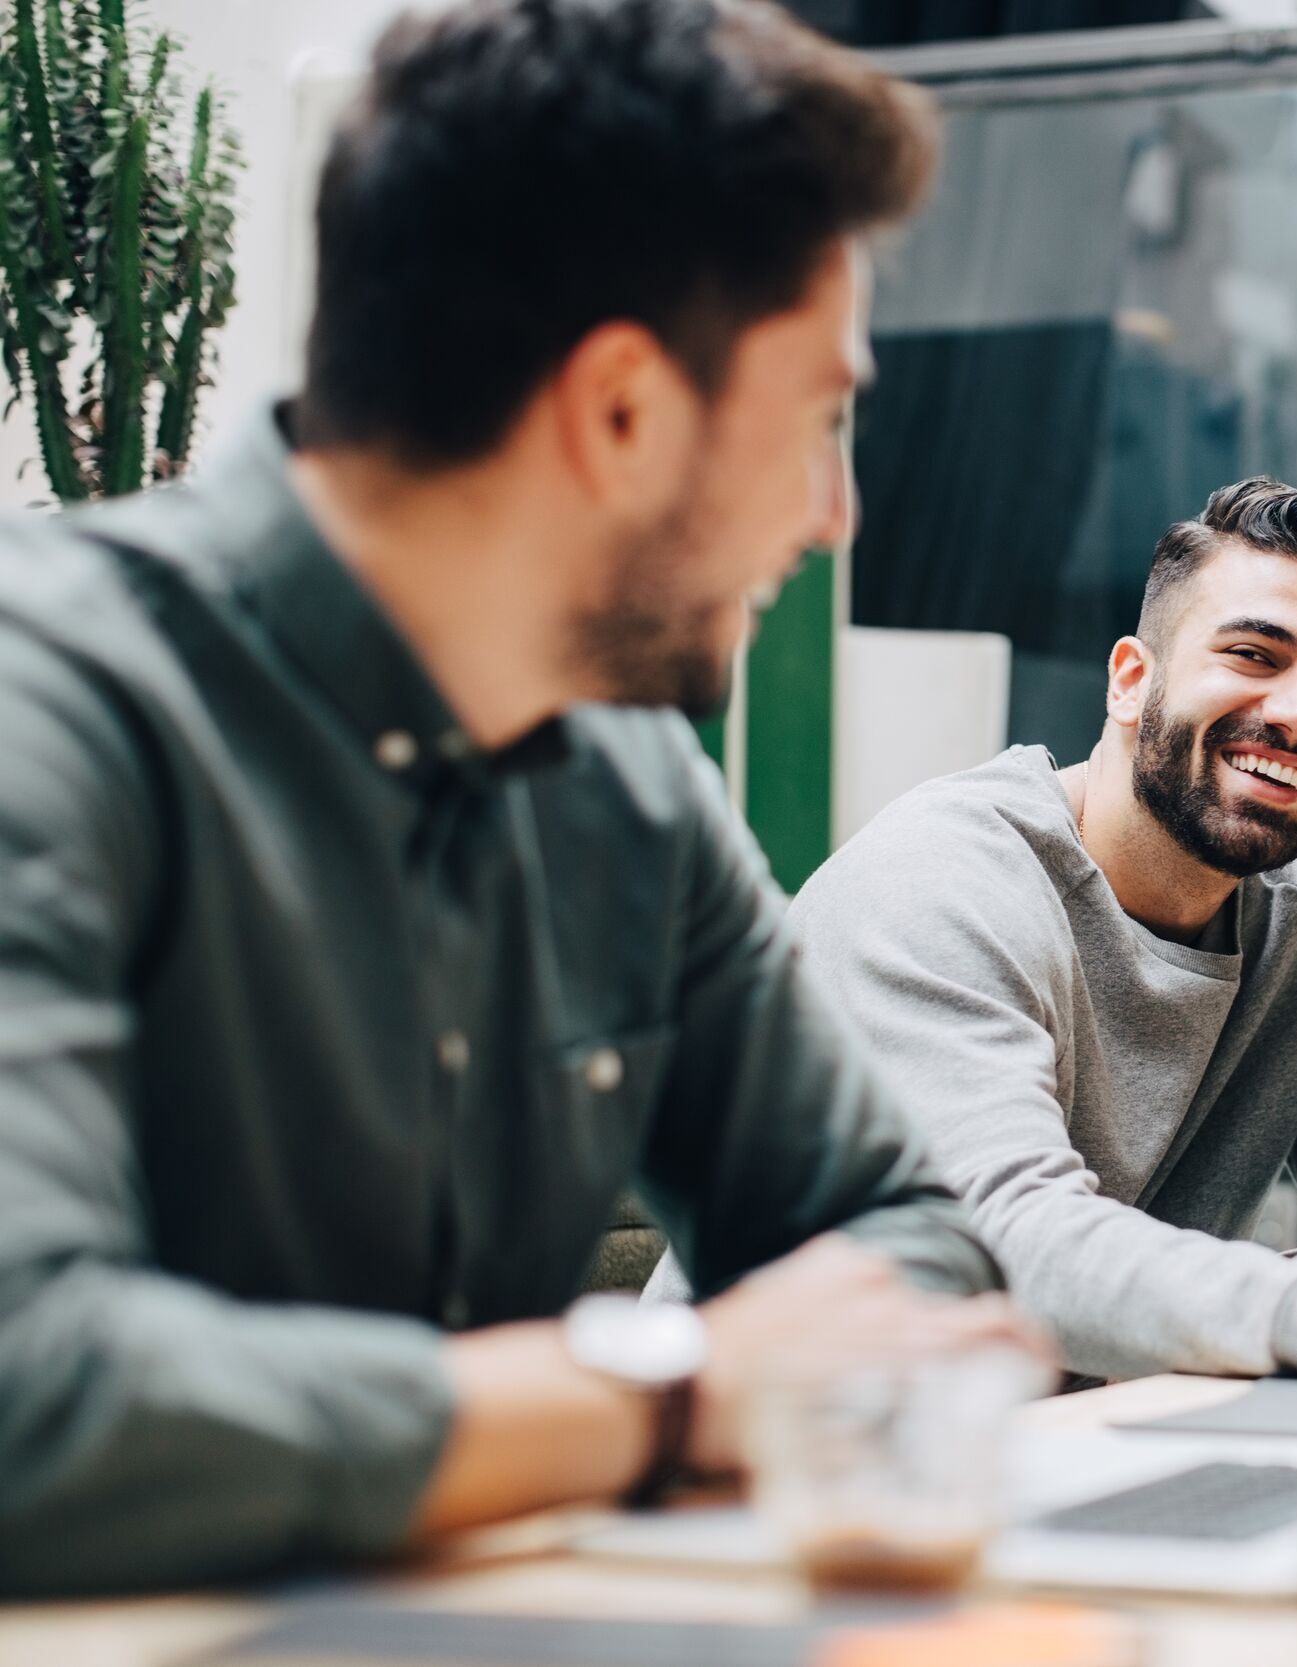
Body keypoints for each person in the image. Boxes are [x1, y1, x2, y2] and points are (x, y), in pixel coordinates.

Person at [0, 0, 1033, 1599]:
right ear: (620, 413)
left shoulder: (628, 784)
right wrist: (661, 1394)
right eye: (822, 419)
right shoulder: (50, 708)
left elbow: (904, 1240)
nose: (832, 519)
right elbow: (28, 1395)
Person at [691, 481, 1297, 1381]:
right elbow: (1006, 1248)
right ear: (1132, 680)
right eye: (1252, 653)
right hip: (779, 1471)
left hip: (1092, 1448)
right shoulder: (941, 885)